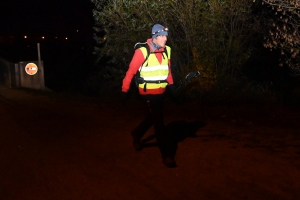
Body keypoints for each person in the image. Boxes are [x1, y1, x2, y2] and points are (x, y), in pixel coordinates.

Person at [121, 24, 177, 168]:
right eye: (163, 36)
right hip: (147, 94)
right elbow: (131, 72)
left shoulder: (167, 51)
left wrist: (172, 87)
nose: (166, 38)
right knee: (159, 122)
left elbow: (168, 71)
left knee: (152, 117)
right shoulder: (142, 51)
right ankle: (167, 155)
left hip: (161, 93)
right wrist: (124, 91)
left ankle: (137, 133)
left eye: (166, 35)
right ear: (155, 37)